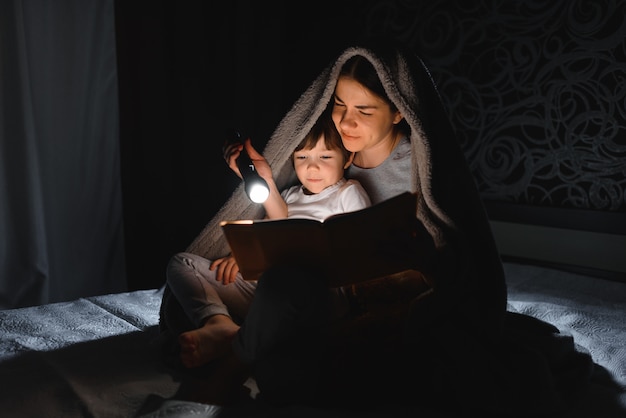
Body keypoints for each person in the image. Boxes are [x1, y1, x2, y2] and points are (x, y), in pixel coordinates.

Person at [160, 38, 590, 414]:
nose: (345, 123)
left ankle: (239, 356)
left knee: (279, 376)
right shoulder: (322, 147)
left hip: (370, 308)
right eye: (339, 105)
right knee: (269, 295)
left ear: (400, 113)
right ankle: (234, 352)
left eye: (364, 110)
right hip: (300, 296)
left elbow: (462, 262)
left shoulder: (421, 169)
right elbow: (282, 217)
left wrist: (423, 259)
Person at [163, 114, 370, 369]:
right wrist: (245, 258)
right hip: (267, 290)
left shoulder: (347, 193)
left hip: (316, 295)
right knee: (181, 263)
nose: (312, 167)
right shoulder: (290, 196)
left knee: (285, 283)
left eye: (325, 157)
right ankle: (219, 324)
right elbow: (275, 219)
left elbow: (361, 243)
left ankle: (249, 343)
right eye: (302, 157)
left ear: (347, 158)